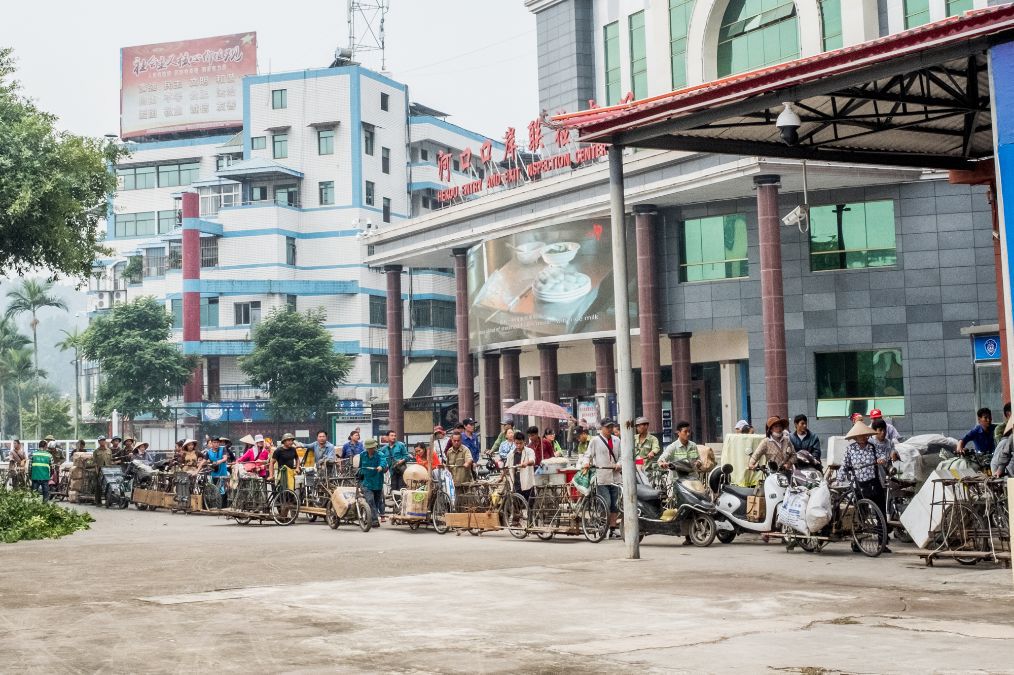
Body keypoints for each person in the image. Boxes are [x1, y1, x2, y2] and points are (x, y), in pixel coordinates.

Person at [840, 420, 891, 552]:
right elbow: (844, 466)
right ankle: (857, 542)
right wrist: (839, 479)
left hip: (874, 483)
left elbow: (882, 457)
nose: (862, 437)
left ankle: (882, 543)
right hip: (859, 485)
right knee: (861, 515)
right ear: (855, 437)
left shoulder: (873, 447)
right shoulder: (850, 449)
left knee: (881, 514)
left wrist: (882, 460)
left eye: (864, 435)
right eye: (860, 435)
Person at [584, 419, 622, 539]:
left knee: (615, 505)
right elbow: (587, 455)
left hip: (616, 477)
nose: (610, 429)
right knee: (606, 502)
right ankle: (602, 526)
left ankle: (612, 528)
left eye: (611, 427)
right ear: (601, 428)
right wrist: (586, 463)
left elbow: (621, 456)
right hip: (602, 477)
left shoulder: (617, 440)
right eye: (607, 427)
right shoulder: (595, 441)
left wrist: (619, 464)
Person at [358, 438, 387, 527]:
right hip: (366, 482)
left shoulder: (380, 454)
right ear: (366, 448)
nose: (371, 450)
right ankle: (374, 520)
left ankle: (371, 517)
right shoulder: (362, 455)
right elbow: (360, 467)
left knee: (376, 502)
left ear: (375, 447)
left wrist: (380, 467)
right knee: (370, 500)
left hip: (377, 482)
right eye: (369, 448)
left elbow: (383, 462)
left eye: (372, 448)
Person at [505, 432, 536, 504]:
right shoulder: (510, 454)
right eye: (516, 443)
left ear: (524, 442)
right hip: (516, 484)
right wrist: (502, 475)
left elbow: (532, 460)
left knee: (531, 506)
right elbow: (507, 467)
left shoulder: (529, 451)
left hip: (527, 484)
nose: (518, 445)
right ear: (514, 442)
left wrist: (526, 463)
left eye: (520, 443)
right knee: (517, 506)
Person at [205, 437, 230, 506]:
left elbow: (225, 458)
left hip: (223, 474)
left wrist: (220, 461)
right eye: (214, 442)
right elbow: (204, 461)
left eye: (217, 443)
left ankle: (224, 506)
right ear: (211, 443)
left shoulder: (223, 449)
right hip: (214, 474)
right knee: (215, 489)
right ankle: (216, 505)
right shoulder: (209, 452)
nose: (216, 444)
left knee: (223, 490)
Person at [93, 436, 115, 505]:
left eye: (103, 440)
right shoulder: (96, 451)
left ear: (105, 441)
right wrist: (97, 472)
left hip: (108, 471)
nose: (102, 442)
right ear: (99, 442)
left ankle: (108, 501)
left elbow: (111, 461)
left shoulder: (109, 450)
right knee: (98, 486)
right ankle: (98, 501)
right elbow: (94, 463)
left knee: (109, 486)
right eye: (101, 441)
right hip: (99, 471)